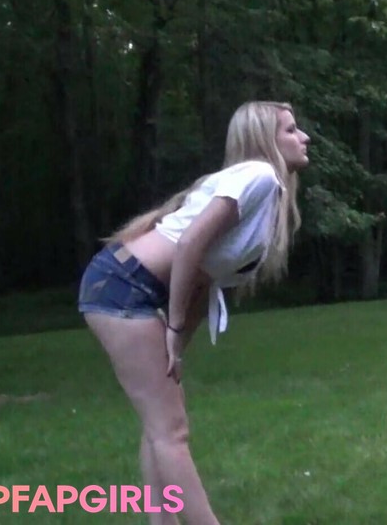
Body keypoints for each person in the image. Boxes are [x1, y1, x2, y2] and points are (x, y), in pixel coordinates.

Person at [77, 101, 310, 524]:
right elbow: (189, 245)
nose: (304, 138)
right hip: (125, 286)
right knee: (171, 430)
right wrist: (175, 324)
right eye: (292, 130)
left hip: (131, 285)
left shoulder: (263, 191)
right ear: (265, 140)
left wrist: (178, 342)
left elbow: (205, 276)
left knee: (161, 426)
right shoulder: (259, 175)